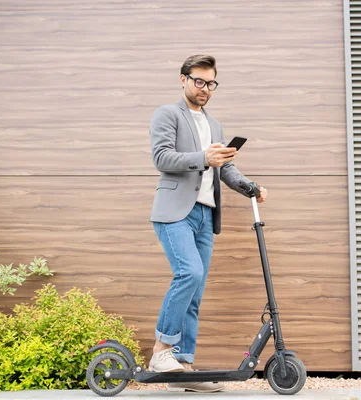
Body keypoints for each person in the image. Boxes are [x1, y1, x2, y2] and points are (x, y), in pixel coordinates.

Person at [148, 54, 268, 393]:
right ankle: (161, 351)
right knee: (190, 273)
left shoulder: (214, 126)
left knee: (195, 292)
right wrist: (203, 157)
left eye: (211, 83)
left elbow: (224, 168)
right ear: (183, 79)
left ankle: (183, 368)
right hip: (175, 212)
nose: (205, 88)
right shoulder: (167, 114)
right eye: (199, 81)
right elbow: (161, 157)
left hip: (205, 215)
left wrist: (250, 188)